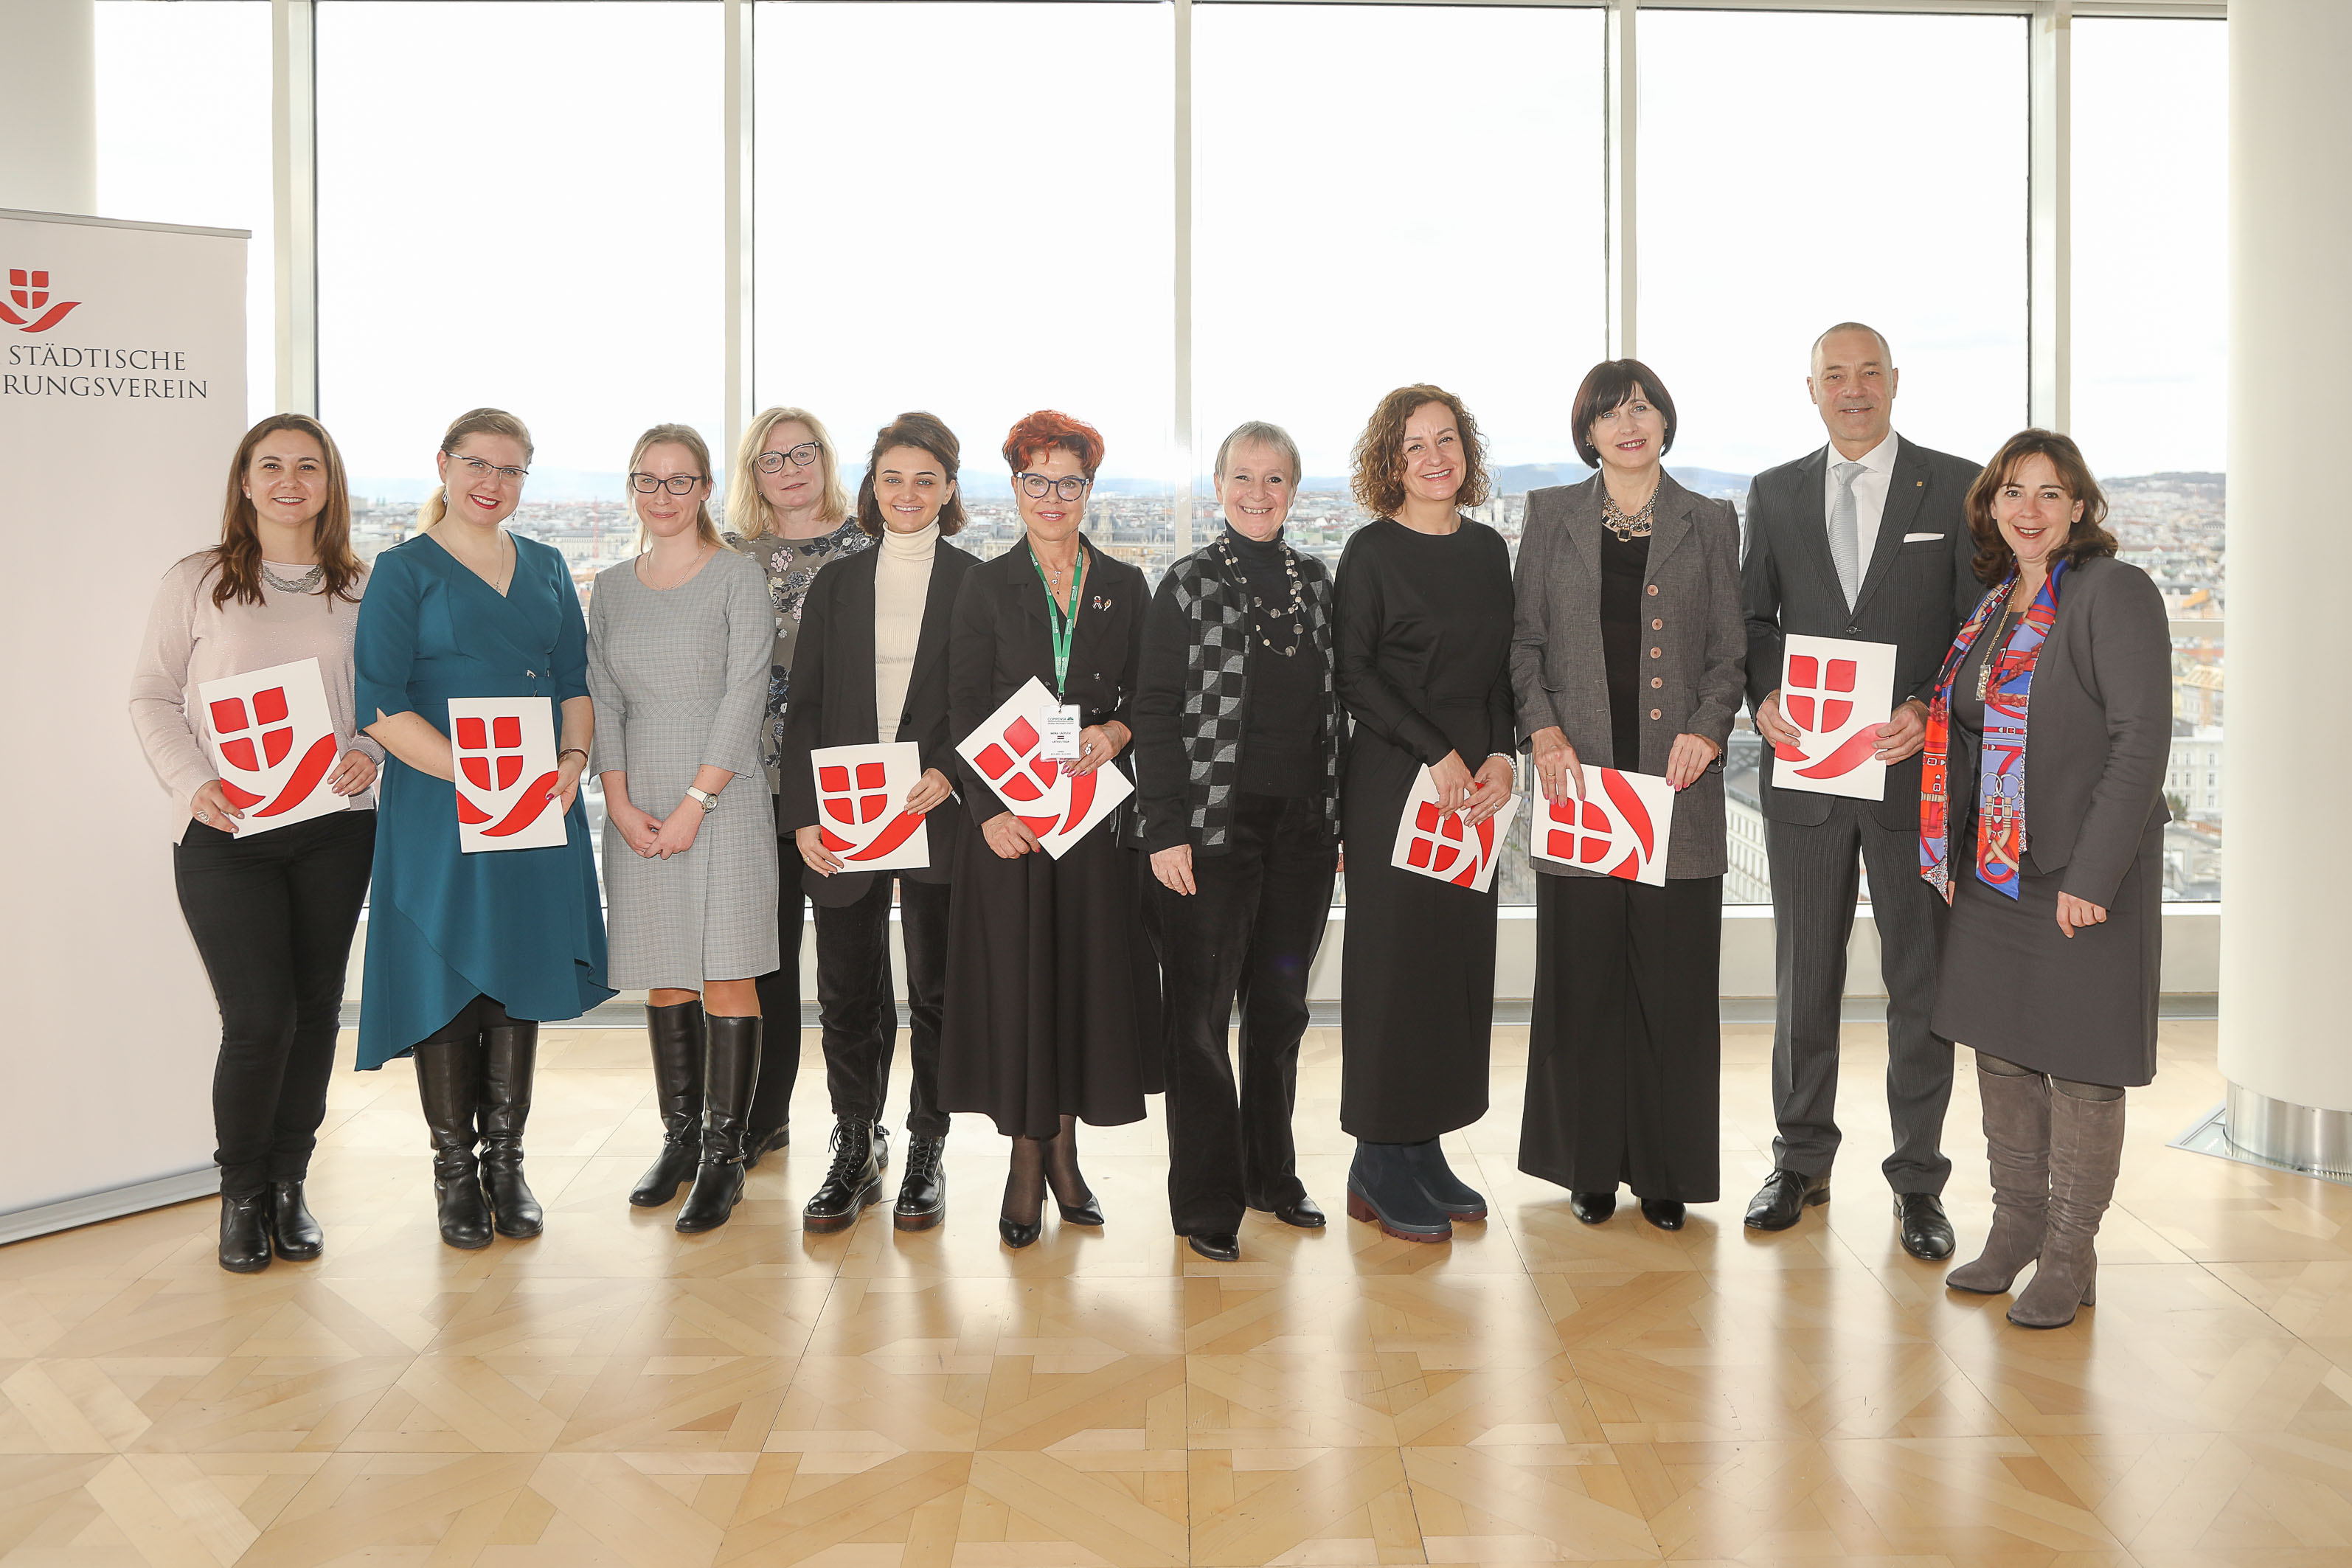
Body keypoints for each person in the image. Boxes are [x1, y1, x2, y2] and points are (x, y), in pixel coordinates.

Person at [1739, 323, 1984, 1261]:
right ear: (1811, 390)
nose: (1852, 390)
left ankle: (1918, 1180)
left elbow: (1976, 626)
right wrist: (1764, 693)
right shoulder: (1774, 492)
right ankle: (1799, 1161)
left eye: (1867, 374)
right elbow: (1758, 618)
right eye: (1834, 376)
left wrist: (1930, 704)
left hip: (1909, 776)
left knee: (1920, 981)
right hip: (1806, 776)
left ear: (1895, 383)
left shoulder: (1954, 486)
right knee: (1806, 976)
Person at [1923, 430, 2169, 1329]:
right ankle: (2017, 1225)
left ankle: (2070, 1247)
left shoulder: (2114, 593)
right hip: (1997, 869)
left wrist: (2093, 872)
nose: (2029, 509)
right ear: (1991, 506)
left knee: (2086, 1065)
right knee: (2002, 1044)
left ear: (2079, 507)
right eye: (2012, 491)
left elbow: (2141, 742)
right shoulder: (1997, 602)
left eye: (2050, 493)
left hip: (2079, 869)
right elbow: (1974, 725)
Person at [353, 407, 613, 1249]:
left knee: (517, 970)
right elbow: (381, 705)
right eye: (476, 464)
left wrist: (573, 757)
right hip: (442, 798)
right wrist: (480, 775)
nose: (490, 482)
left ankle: (508, 1163)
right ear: (443, 464)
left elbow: (575, 679)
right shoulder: (402, 570)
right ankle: (454, 1173)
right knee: (447, 968)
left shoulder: (544, 566)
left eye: (509, 469)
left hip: (536, 797)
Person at [130, 414, 382, 1272]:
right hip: (224, 831)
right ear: (244, 481)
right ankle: (241, 1192)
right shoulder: (196, 580)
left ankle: (289, 1184)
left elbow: (388, 700)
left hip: (334, 831)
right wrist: (191, 779)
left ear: (329, 484)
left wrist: (371, 751)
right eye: (270, 464)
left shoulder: (361, 585)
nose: (289, 479)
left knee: (315, 1010)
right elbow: (152, 696)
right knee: (257, 1017)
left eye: (308, 466)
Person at [1512, 362, 1745, 1230]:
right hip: (1581, 789)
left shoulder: (1712, 521)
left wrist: (1710, 724)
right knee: (1584, 984)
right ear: (1589, 432)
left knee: (1674, 989)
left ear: (1663, 419)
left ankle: (1667, 1170)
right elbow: (1523, 645)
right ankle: (1591, 1164)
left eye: (1640, 406)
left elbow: (1730, 653)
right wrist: (1541, 730)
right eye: (1610, 413)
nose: (1628, 423)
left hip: (1677, 792)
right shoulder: (1549, 517)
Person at [940, 409, 1160, 1249]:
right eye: (1038, 480)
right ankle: (1025, 1159)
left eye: (1070, 480)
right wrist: (989, 814)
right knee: (1020, 990)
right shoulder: (983, 586)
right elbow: (963, 707)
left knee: (1076, 986)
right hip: (1010, 830)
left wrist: (1118, 733)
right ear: (1016, 487)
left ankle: (1066, 1153)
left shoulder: (1127, 585)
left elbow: (1149, 692)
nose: (1054, 496)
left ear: (1089, 490)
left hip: (1092, 824)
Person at [1135, 420, 1347, 1263]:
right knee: (1198, 1018)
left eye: (1275, 479)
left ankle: (1272, 1175)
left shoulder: (1318, 583)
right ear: (1218, 485)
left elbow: (1338, 706)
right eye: (1242, 477)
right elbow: (1154, 710)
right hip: (1211, 833)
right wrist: (1165, 830)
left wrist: (1335, 823)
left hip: (1301, 829)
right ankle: (1207, 1198)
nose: (1258, 493)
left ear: (1295, 490)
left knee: (1281, 1010)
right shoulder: (1185, 585)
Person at [779, 412, 978, 1232]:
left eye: (925, 479)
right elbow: (808, 706)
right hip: (847, 818)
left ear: (950, 490)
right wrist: (801, 817)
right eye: (892, 478)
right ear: (872, 487)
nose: (908, 493)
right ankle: (857, 1141)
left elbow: (988, 703)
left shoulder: (978, 582)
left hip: (936, 812)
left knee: (936, 991)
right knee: (848, 992)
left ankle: (928, 1146)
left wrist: (951, 770)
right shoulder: (836, 584)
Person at [1333, 385, 1516, 1244]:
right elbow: (1356, 675)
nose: (1435, 456)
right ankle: (1377, 1156)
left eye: (1447, 440)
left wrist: (1504, 754)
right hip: (1395, 784)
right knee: (1393, 970)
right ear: (1390, 464)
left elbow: (1501, 672)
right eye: (1414, 446)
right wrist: (1434, 752)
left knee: (1451, 968)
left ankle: (1424, 1144)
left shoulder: (1487, 550)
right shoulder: (1370, 552)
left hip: (1473, 790)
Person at [590, 423, 778, 1233]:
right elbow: (602, 697)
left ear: (705, 488)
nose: (662, 495)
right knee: (667, 971)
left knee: (729, 971)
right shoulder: (611, 586)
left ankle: (725, 1155)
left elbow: (746, 692)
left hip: (724, 797)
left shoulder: (738, 576)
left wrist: (697, 801)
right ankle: (680, 1139)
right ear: (632, 488)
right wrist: (621, 801)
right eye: (647, 479)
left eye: (679, 480)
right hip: (641, 801)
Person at [724, 407, 891, 1172]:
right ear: (751, 474)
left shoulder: (875, 549)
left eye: (802, 453)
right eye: (770, 459)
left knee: (854, 966)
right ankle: (764, 1115)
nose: (789, 469)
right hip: (752, 787)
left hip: (848, 789)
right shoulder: (729, 558)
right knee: (768, 958)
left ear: (827, 458)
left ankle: (863, 1124)